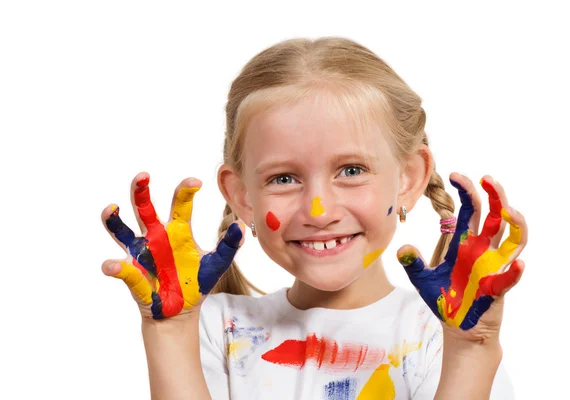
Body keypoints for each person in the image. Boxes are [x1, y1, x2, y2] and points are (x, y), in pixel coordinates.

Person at [100, 37, 527, 399]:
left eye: (352, 170)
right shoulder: (212, 329)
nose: (318, 211)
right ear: (242, 196)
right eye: (284, 178)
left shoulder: (439, 336)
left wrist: (471, 351)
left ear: (408, 179)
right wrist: (170, 333)